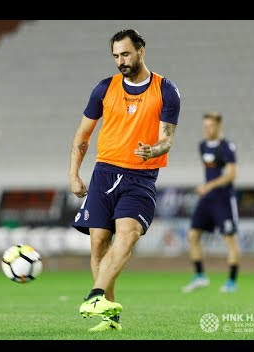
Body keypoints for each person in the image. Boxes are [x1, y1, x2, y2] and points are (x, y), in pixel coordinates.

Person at [68, 29, 181, 332]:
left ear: (142, 50)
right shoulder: (104, 89)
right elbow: (83, 136)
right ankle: (109, 317)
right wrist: (74, 173)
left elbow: (166, 140)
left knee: (128, 234)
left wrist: (152, 150)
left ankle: (95, 295)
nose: (121, 61)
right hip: (104, 171)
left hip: (140, 176)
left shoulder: (166, 90)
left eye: (126, 54)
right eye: (116, 56)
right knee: (98, 244)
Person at [182, 111, 240, 293]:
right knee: (192, 235)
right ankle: (200, 276)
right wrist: (207, 189)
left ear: (218, 126)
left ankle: (231, 281)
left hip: (223, 198)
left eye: (210, 126)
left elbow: (231, 174)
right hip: (207, 199)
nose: (206, 129)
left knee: (229, 239)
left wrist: (209, 186)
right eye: (204, 126)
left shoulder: (226, 147)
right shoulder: (202, 146)